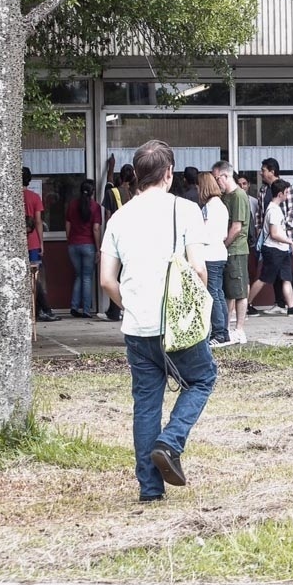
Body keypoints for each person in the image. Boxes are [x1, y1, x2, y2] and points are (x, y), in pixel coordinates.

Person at [98, 139, 217, 503]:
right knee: (203, 378)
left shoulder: (119, 216)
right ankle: (171, 440)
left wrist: (129, 304)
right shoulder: (186, 209)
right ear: (169, 174)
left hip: (137, 328)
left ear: (135, 175)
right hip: (177, 325)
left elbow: (106, 280)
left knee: (146, 404)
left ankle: (150, 489)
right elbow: (198, 267)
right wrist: (200, 306)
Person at [211, 161, 257, 346]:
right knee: (228, 291)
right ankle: (226, 327)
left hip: (236, 249)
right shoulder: (225, 196)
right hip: (228, 250)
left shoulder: (238, 195)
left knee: (238, 292)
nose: (216, 183)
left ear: (226, 176)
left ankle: (239, 329)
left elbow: (237, 227)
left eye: (217, 179)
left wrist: (224, 244)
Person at [254, 158, 293, 316]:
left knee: (283, 271)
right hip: (271, 238)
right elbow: (260, 214)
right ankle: (283, 303)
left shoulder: (286, 189)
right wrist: (259, 230)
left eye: (263, 170)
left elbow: (292, 214)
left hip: (284, 236)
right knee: (278, 272)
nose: (261, 173)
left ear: (272, 171)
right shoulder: (263, 191)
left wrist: (285, 236)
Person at [197, 173, 231, 347]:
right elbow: (224, 233)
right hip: (220, 252)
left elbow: (205, 232)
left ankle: (218, 333)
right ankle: (224, 331)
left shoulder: (209, 207)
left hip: (209, 254)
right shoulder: (222, 205)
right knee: (218, 293)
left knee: (212, 294)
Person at [24, 166, 59, 322]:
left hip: (16, 243)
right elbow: (38, 221)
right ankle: (43, 309)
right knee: (35, 278)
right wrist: (41, 243)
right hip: (32, 243)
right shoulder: (34, 197)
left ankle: (32, 310)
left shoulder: (11, 197)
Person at [101, 163, 135, 321]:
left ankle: (115, 310)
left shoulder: (112, 193)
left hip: (117, 237)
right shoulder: (134, 193)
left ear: (120, 177)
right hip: (132, 238)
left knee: (113, 276)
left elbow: (108, 216)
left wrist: (110, 170)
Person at [65, 179, 103, 318]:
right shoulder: (95, 207)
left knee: (79, 276)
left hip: (73, 245)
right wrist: (98, 249)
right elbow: (96, 229)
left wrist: (70, 240)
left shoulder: (72, 205)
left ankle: (74, 306)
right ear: (92, 192)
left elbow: (68, 225)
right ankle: (86, 310)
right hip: (88, 245)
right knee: (87, 277)